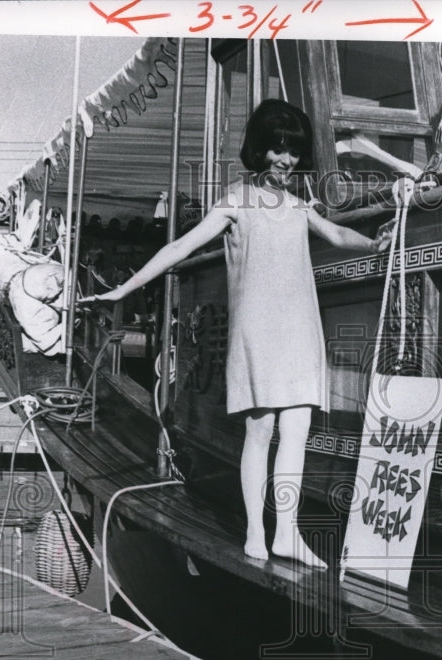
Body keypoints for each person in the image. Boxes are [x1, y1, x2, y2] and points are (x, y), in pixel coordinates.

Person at [80, 99, 393, 569]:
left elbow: (337, 234)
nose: (286, 161)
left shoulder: (296, 205)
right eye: (277, 150)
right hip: (258, 329)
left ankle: (287, 533)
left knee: (297, 430)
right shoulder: (235, 202)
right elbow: (181, 247)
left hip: (300, 326)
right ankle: (255, 531)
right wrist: (123, 288)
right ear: (259, 150)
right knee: (260, 429)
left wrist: (375, 244)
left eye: (293, 152)